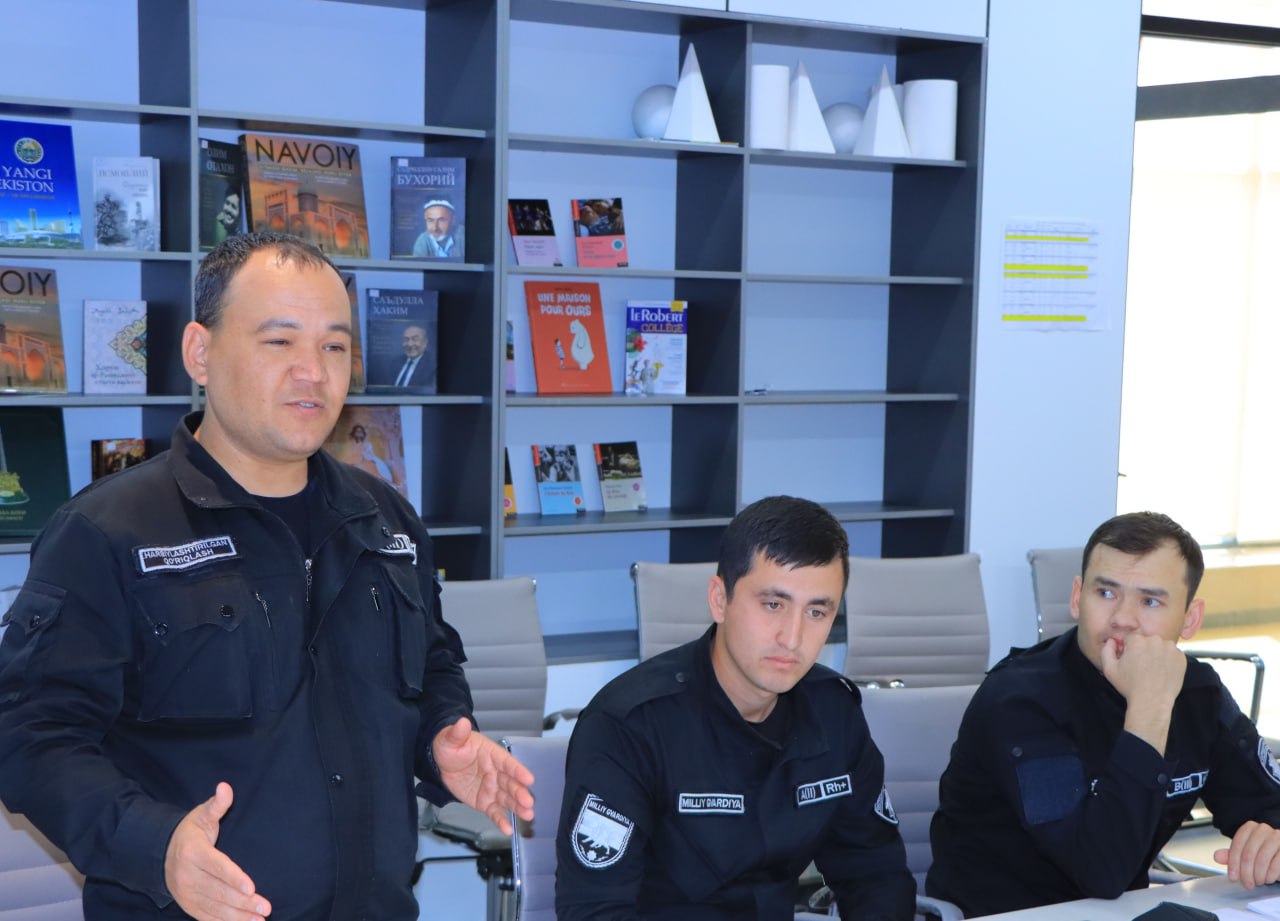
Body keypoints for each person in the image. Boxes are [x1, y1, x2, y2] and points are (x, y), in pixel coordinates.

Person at [0, 231, 533, 921]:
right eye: (280, 342)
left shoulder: (386, 519)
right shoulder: (108, 532)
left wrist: (440, 737)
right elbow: (30, 737)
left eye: (334, 347)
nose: (312, 372)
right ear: (200, 352)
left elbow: (432, 664)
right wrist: (156, 845)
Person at [555, 495, 914, 921]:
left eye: (817, 612)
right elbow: (595, 911)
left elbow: (875, 873)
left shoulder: (833, 711)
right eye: (773, 605)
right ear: (719, 599)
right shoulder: (631, 726)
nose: (793, 638)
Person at [927, 511, 1280, 917]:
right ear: (1077, 597)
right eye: (1106, 593)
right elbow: (1100, 871)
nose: (1122, 619)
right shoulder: (1021, 701)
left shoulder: (1199, 693)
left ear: (1190, 618)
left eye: (1150, 601)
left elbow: (1268, 807)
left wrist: (1273, 842)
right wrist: (1149, 710)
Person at [370, 322, 436, 392]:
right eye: (406, 339)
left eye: (415, 339)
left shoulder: (433, 367)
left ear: (425, 342)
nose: (410, 344)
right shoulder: (395, 362)